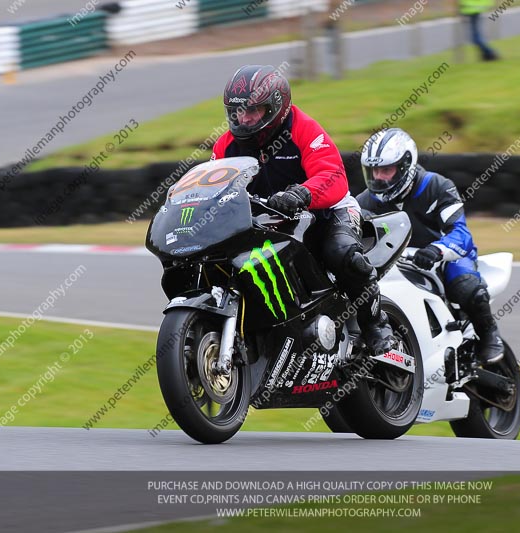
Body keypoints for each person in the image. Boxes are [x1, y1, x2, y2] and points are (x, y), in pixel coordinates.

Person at [211, 64, 395, 355]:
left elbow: (333, 175)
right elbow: (213, 185)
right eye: (236, 112)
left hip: (326, 212)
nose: (243, 119)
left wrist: (302, 193)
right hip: (267, 220)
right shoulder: (226, 146)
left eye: (252, 111)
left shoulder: (303, 129)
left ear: (276, 108)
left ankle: (376, 323)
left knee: (342, 252)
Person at [356, 128, 504, 365]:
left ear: (406, 166)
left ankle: (489, 335)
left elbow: (460, 233)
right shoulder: (365, 201)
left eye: (386, 170)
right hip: (393, 262)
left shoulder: (437, 186)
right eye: (374, 171)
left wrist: (436, 250)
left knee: (464, 285)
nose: (379, 178)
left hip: (444, 258)